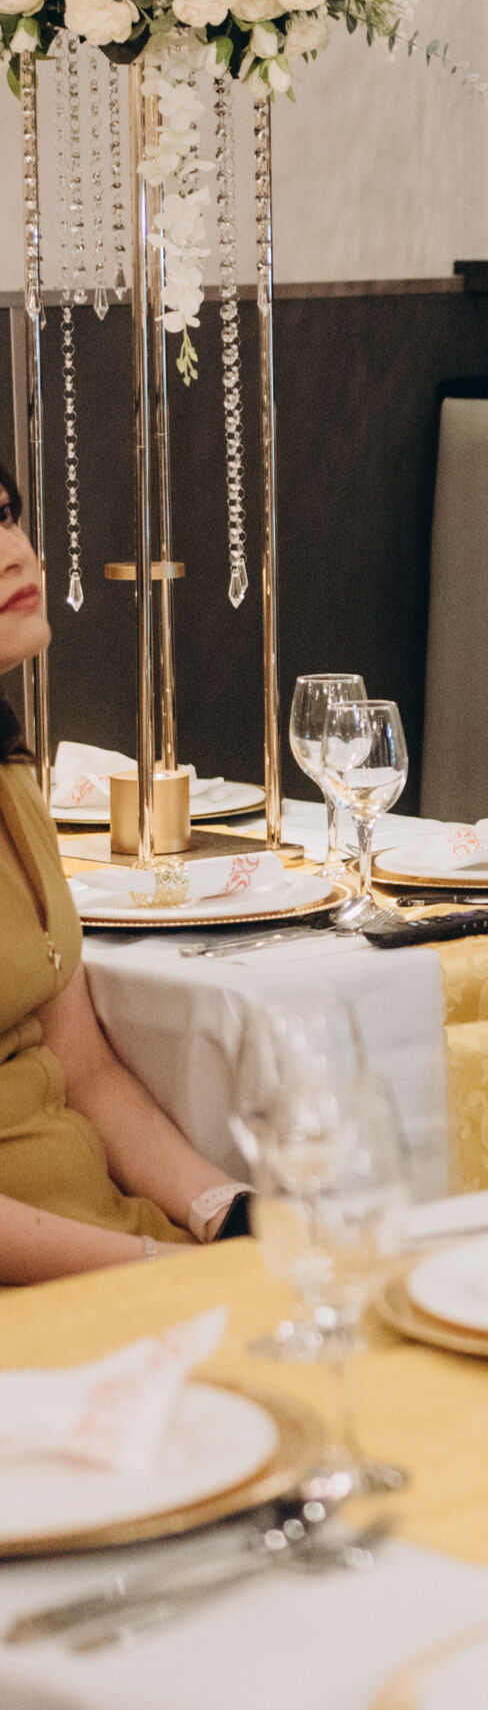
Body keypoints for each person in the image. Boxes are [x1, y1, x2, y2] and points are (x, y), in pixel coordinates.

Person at [0, 458, 250, 1281]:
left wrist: (226, 1211)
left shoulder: (11, 774)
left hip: (106, 1235)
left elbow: (84, 1068)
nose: (14, 553)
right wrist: (154, 1269)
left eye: (5, 516)